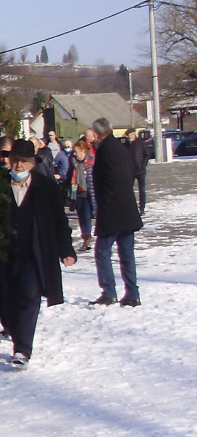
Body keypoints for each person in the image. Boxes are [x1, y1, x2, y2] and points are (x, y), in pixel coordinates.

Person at [0, 140, 77, 366]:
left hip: (34, 252)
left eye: (23, 161)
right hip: (5, 253)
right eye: (15, 160)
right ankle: (13, 331)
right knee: (7, 299)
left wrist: (66, 250)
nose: (18, 166)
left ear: (32, 163)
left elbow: (60, 221)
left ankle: (22, 349)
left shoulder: (45, 187)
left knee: (29, 296)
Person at [89, 118, 143, 307]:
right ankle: (132, 292)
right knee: (126, 252)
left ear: (96, 134)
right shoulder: (120, 147)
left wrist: (103, 204)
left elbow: (110, 181)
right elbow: (129, 174)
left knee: (102, 251)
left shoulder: (106, 151)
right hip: (127, 208)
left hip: (113, 211)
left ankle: (109, 291)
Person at [70, 140, 96, 251]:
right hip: (78, 194)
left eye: (76, 152)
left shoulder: (92, 162)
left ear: (83, 151)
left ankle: (88, 239)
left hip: (89, 194)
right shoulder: (75, 163)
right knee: (82, 218)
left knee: (87, 217)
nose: (74, 154)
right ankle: (85, 238)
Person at [127, 128, 149, 215]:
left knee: (142, 190)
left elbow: (147, 154)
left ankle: (142, 208)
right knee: (129, 190)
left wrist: (143, 165)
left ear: (133, 134)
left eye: (129, 135)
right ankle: (131, 208)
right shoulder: (127, 144)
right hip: (130, 171)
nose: (129, 137)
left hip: (140, 170)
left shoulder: (140, 142)